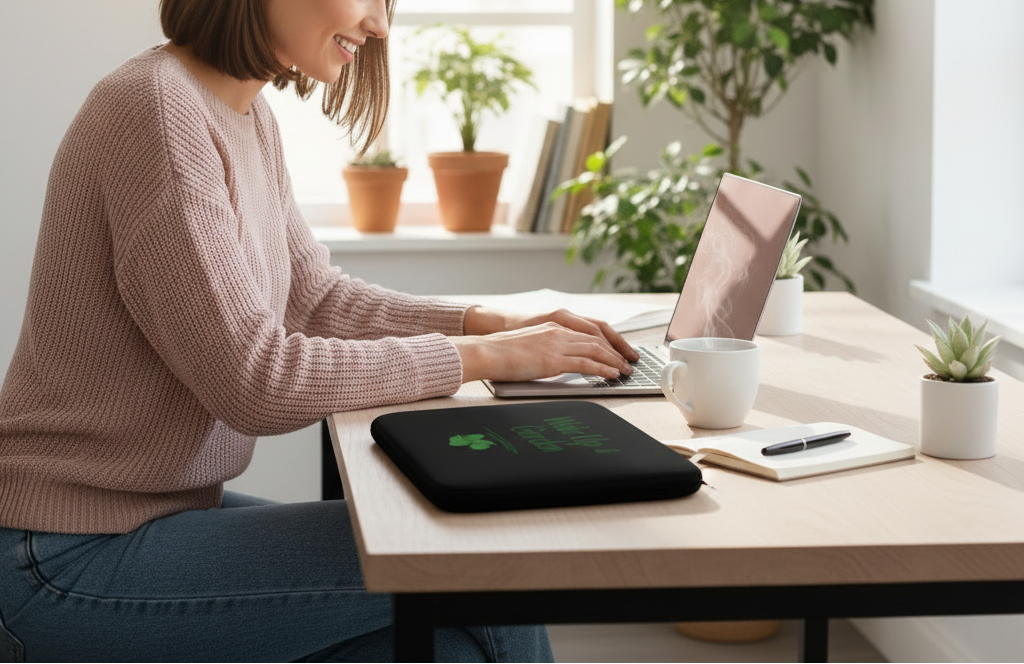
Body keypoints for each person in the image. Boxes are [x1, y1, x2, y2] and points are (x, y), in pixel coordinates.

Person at [0, 0, 638, 661]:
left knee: (454, 649)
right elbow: (255, 380)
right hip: (59, 557)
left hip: (160, 515)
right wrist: (483, 356)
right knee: (479, 568)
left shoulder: (246, 117)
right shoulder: (154, 112)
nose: (380, 24)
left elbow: (314, 297)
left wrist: (488, 323)